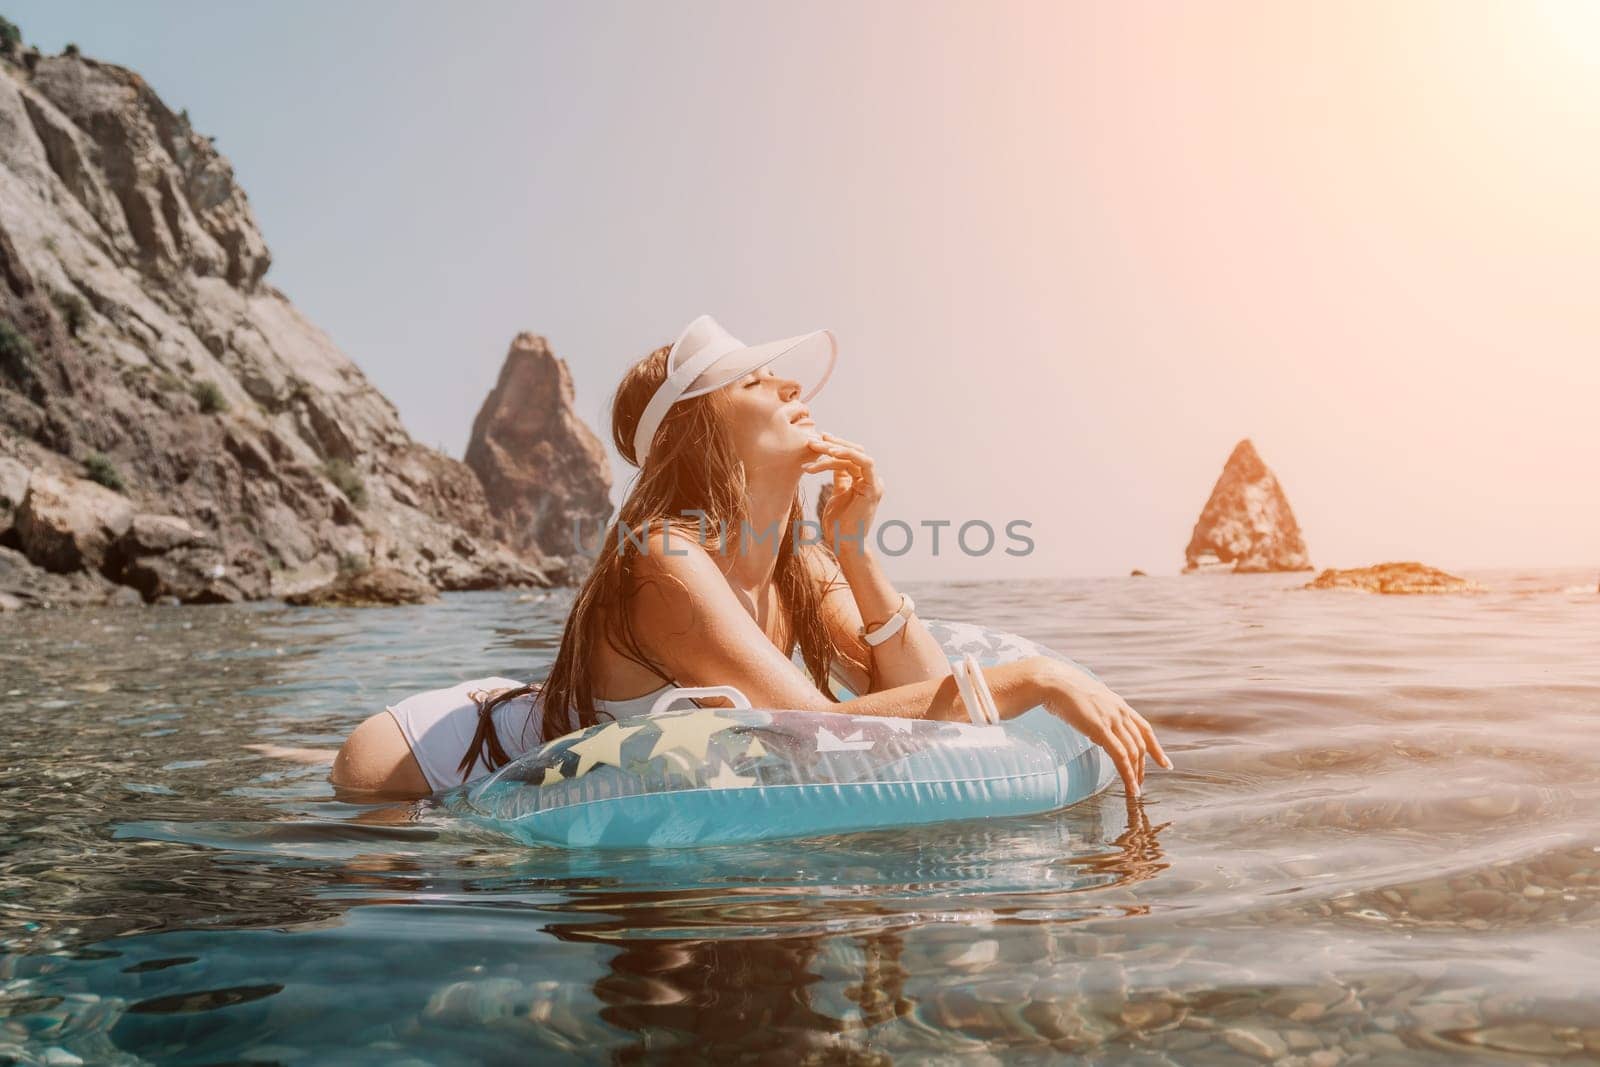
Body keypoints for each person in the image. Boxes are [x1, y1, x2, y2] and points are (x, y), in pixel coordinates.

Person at [330, 313, 1170, 799]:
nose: (794, 387)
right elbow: (816, 732)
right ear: (700, 425)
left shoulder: (801, 561)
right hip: (423, 764)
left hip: (565, 714)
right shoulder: (664, 560)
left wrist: (858, 551)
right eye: (758, 380)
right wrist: (1031, 680)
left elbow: (898, 691)